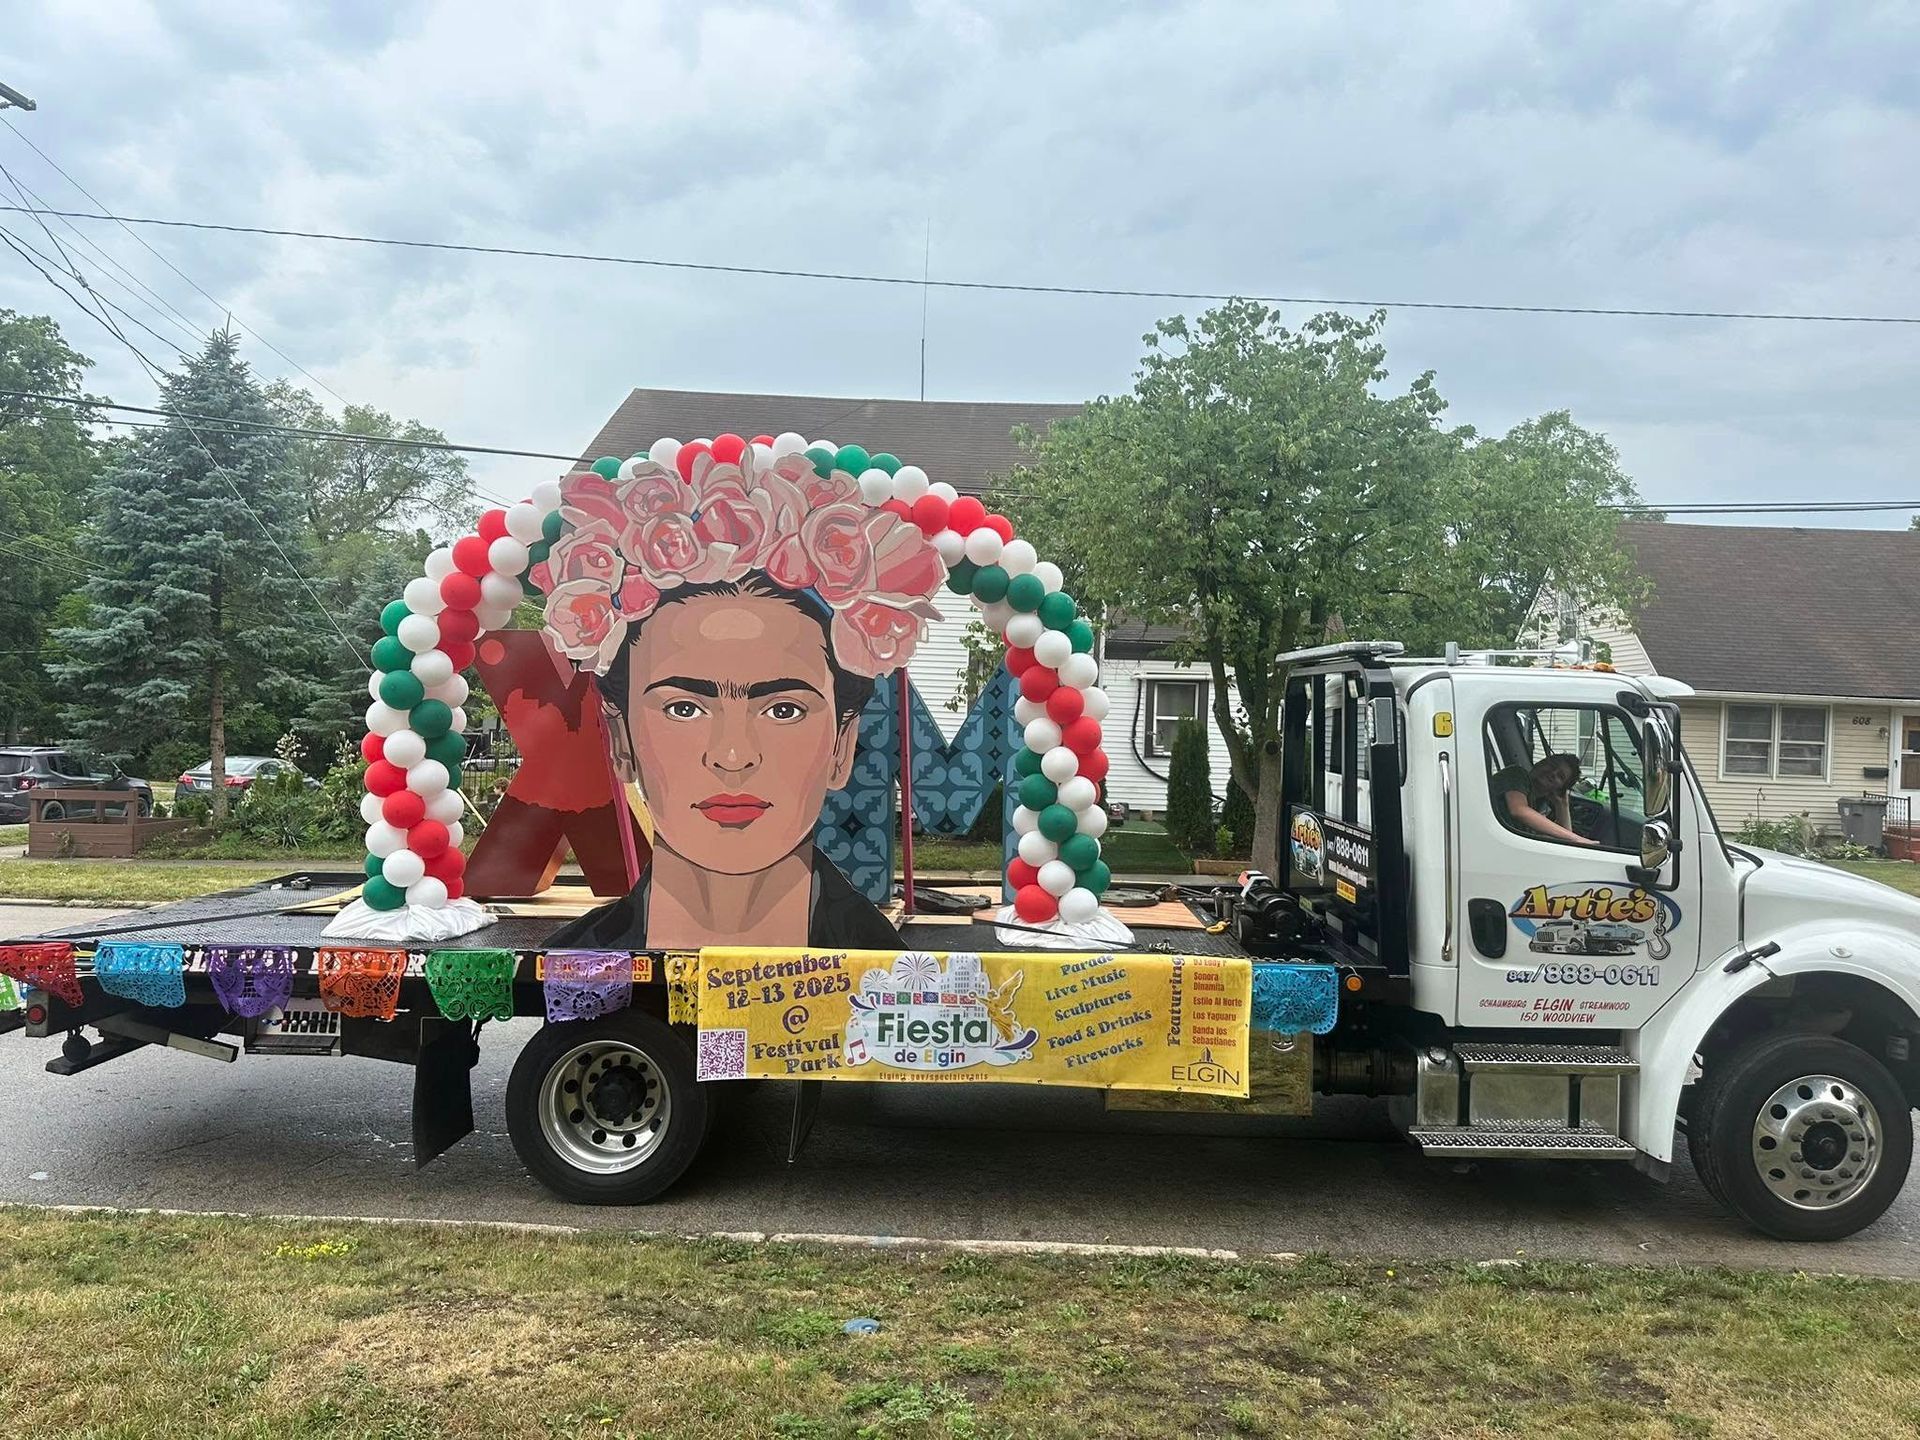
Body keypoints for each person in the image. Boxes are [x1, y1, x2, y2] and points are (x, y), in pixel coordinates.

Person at [536, 450, 945, 951]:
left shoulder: (893, 983)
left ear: (843, 744)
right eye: (684, 708)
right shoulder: (568, 965)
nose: (732, 756)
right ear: (621, 740)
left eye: (783, 710)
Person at [1492, 753, 1598, 846]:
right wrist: (1576, 838)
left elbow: (1565, 844)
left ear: (1560, 788)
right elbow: (1518, 810)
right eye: (1552, 766)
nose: (1553, 774)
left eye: (1560, 776)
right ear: (1540, 763)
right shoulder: (1516, 774)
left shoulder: (1540, 804)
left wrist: (1562, 805)